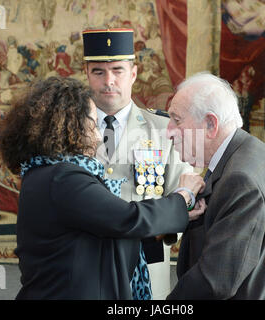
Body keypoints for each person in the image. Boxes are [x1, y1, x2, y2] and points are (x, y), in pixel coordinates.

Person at [0, 76, 204, 300]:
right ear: (69, 125)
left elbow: (105, 229)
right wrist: (182, 198)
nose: (98, 138)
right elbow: (126, 218)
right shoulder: (63, 178)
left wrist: (176, 214)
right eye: (93, 124)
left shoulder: (45, 172)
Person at [166, 72, 265, 299]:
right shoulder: (244, 154)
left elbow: (215, 280)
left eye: (176, 120)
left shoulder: (240, 179)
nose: (168, 131)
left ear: (210, 124)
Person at [82, 28, 193, 299]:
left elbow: (185, 194)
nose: (109, 81)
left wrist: (163, 230)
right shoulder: (68, 132)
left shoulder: (164, 130)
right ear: (86, 74)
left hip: (146, 262)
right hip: (86, 262)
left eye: (118, 70)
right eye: (98, 71)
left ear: (133, 73)